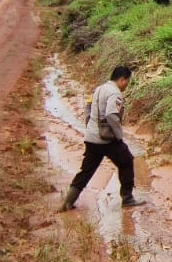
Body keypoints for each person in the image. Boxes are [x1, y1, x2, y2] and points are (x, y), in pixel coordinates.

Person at [60, 65, 145, 210]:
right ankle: (127, 198)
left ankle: (68, 202)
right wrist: (119, 135)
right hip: (107, 140)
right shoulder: (115, 93)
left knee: (86, 170)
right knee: (127, 161)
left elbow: (88, 107)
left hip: (91, 139)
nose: (127, 85)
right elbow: (111, 115)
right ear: (123, 80)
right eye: (127, 81)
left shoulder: (99, 89)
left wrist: (90, 126)